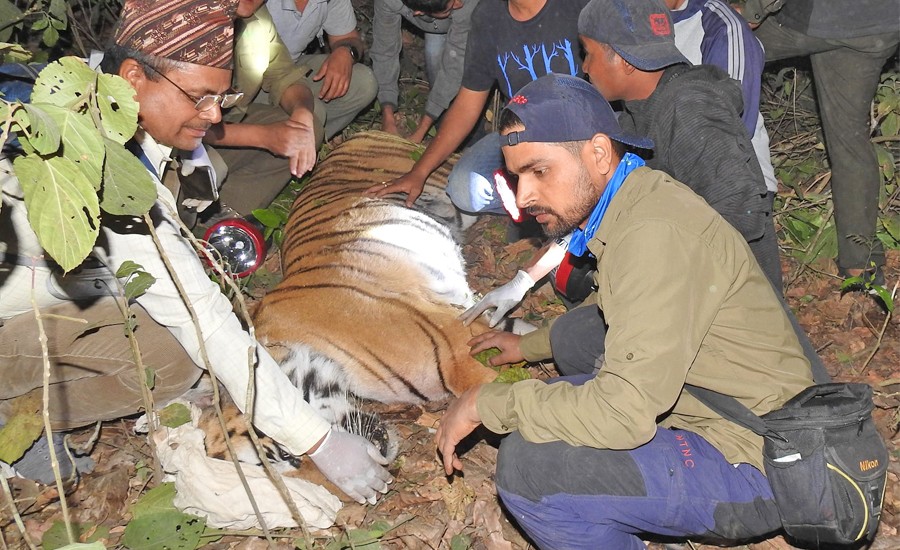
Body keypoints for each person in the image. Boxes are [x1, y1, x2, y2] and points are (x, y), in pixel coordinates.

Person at [0, 0, 391, 505]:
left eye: (220, 97)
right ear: (134, 77)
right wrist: (320, 439)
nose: (213, 115)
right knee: (181, 343)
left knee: (169, 347)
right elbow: (199, 314)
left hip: (48, 286)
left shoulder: (115, 113)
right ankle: (15, 414)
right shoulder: (88, 159)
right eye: (201, 97)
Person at [435, 73, 814, 550]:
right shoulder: (636, 202)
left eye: (538, 171)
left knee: (532, 468)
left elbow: (623, 413)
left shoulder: (653, 232)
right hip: (710, 414)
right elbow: (611, 311)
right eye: (516, 177)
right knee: (556, 402)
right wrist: (527, 347)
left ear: (597, 153)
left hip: (757, 461)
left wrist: (482, 404)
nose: (524, 196)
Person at [366, 0, 590, 211]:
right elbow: (466, 105)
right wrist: (419, 172)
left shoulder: (578, 6)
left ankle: (552, 199)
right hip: (521, 139)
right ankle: (537, 200)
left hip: (583, 132)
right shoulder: (487, 16)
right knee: (464, 189)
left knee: (578, 175)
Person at [745, 0, 900, 285]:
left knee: (714, 44)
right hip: (879, 25)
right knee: (850, 143)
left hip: (817, 19)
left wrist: (752, 12)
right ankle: (860, 268)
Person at [202, 0, 320, 218]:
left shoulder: (257, 17)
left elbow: (284, 75)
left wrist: (302, 113)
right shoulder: (184, 17)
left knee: (304, 131)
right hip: (174, 146)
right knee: (210, 170)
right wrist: (262, 136)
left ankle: (226, 215)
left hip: (229, 123)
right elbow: (176, 122)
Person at [267, 0, 377, 141]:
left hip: (290, 67)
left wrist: (346, 51)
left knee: (363, 82)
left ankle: (306, 142)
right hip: (250, 78)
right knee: (313, 111)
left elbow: (348, 37)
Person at [370, 0, 477, 143]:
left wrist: (422, 129)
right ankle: (442, 120)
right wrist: (387, 117)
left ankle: (468, 128)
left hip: (466, 20)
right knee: (434, 53)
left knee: (450, 63)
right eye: (450, 7)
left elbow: (454, 66)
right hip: (431, 19)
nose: (459, 3)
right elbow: (384, 52)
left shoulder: (465, 4)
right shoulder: (389, 1)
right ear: (418, 12)